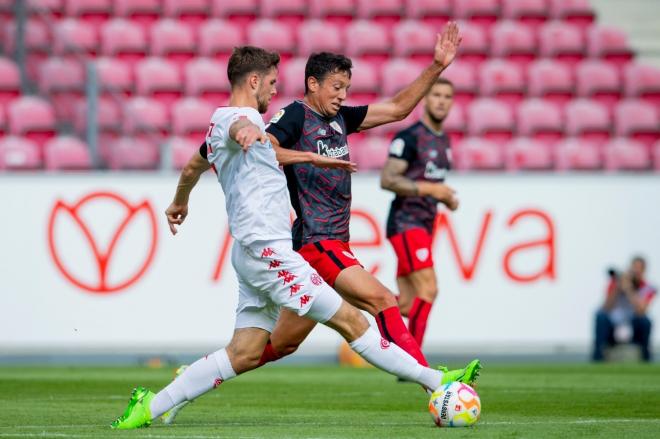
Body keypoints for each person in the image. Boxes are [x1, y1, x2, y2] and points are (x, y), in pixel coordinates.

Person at [110, 46, 481, 430]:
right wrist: (290, 149)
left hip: (256, 252)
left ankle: (151, 405)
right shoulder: (240, 119)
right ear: (254, 81)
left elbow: (192, 165)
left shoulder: (224, 122)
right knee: (354, 322)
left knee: (246, 352)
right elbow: (246, 133)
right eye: (271, 82)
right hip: (270, 251)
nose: (274, 90)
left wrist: (179, 202)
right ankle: (437, 381)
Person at [253, 22, 463, 371]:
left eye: (347, 88)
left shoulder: (341, 120)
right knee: (382, 299)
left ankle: (217, 366)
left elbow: (397, 108)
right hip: (317, 243)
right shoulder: (294, 116)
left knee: (283, 342)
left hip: (331, 245)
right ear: (313, 84)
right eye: (336, 87)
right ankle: (435, 382)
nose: (342, 95)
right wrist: (310, 156)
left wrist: (437, 66)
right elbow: (266, 148)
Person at [380, 77, 457, 351]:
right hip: (405, 222)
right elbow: (388, 179)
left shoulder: (444, 141)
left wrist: (445, 199)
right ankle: (413, 362)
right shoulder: (410, 137)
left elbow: (432, 186)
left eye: (447, 97)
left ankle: (356, 299)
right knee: (429, 289)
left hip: (424, 225)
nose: (441, 101)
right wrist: (432, 191)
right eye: (436, 95)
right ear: (425, 98)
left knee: (409, 304)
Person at [593, 256, 656, 362]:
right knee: (600, 317)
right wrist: (617, 288)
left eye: (638, 269)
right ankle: (597, 358)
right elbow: (605, 307)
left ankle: (646, 358)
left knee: (645, 322)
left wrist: (628, 289)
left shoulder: (648, 288)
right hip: (613, 325)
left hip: (633, 324)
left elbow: (641, 310)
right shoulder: (615, 284)